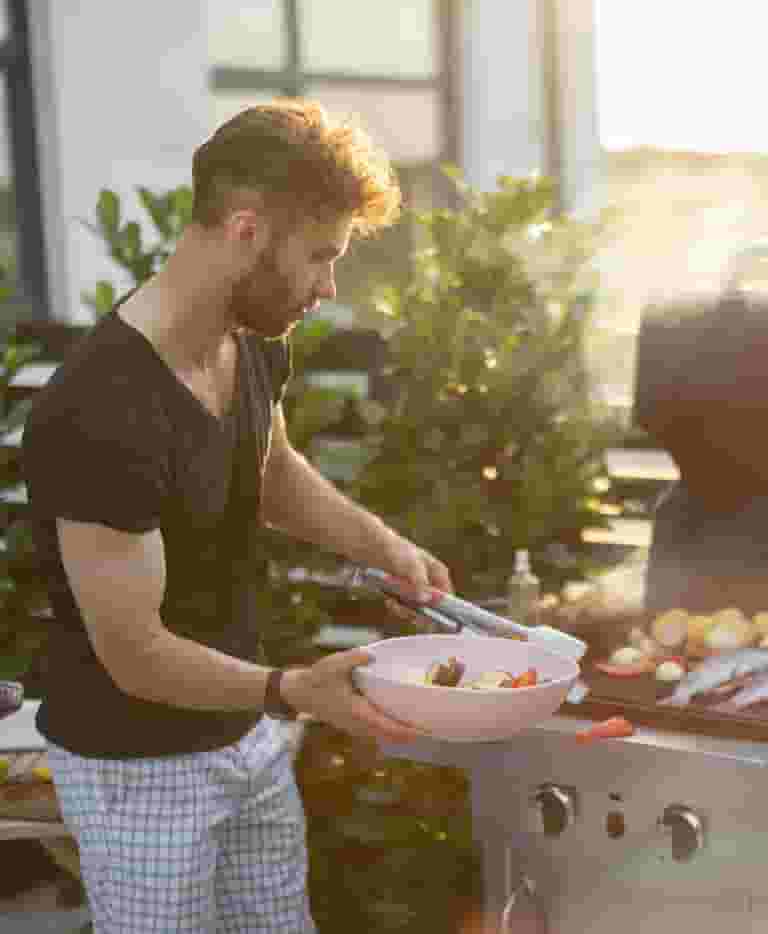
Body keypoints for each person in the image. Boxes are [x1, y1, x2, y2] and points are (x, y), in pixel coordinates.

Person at [21, 99, 454, 933]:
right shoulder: (100, 408)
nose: (330, 287)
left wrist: (388, 547)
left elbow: (270, 469)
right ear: (247, 230)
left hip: (245, 735)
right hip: (137, 768)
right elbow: (135, 655)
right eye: (322, 257)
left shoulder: (252, 334)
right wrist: (293, 690)